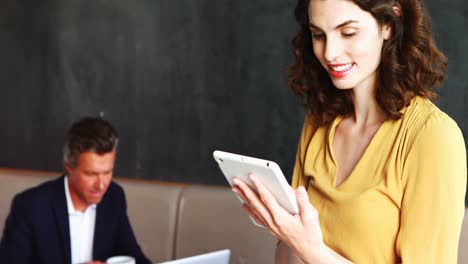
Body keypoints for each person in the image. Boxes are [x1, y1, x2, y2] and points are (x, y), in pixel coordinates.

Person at [233, 0, 467, 263]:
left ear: (389, 24)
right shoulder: (318, 123)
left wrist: (310, 248)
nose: (330, 52)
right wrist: (285, 230)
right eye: (318, 35)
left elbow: (309, 251)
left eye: (348, 33)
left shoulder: (432, 137)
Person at [0, 117, 151, 264]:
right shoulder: (29, 207)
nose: (101, 185)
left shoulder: (114, 196)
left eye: (107, 172)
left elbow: (133, 256)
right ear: (69, 167)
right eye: (91, 174)